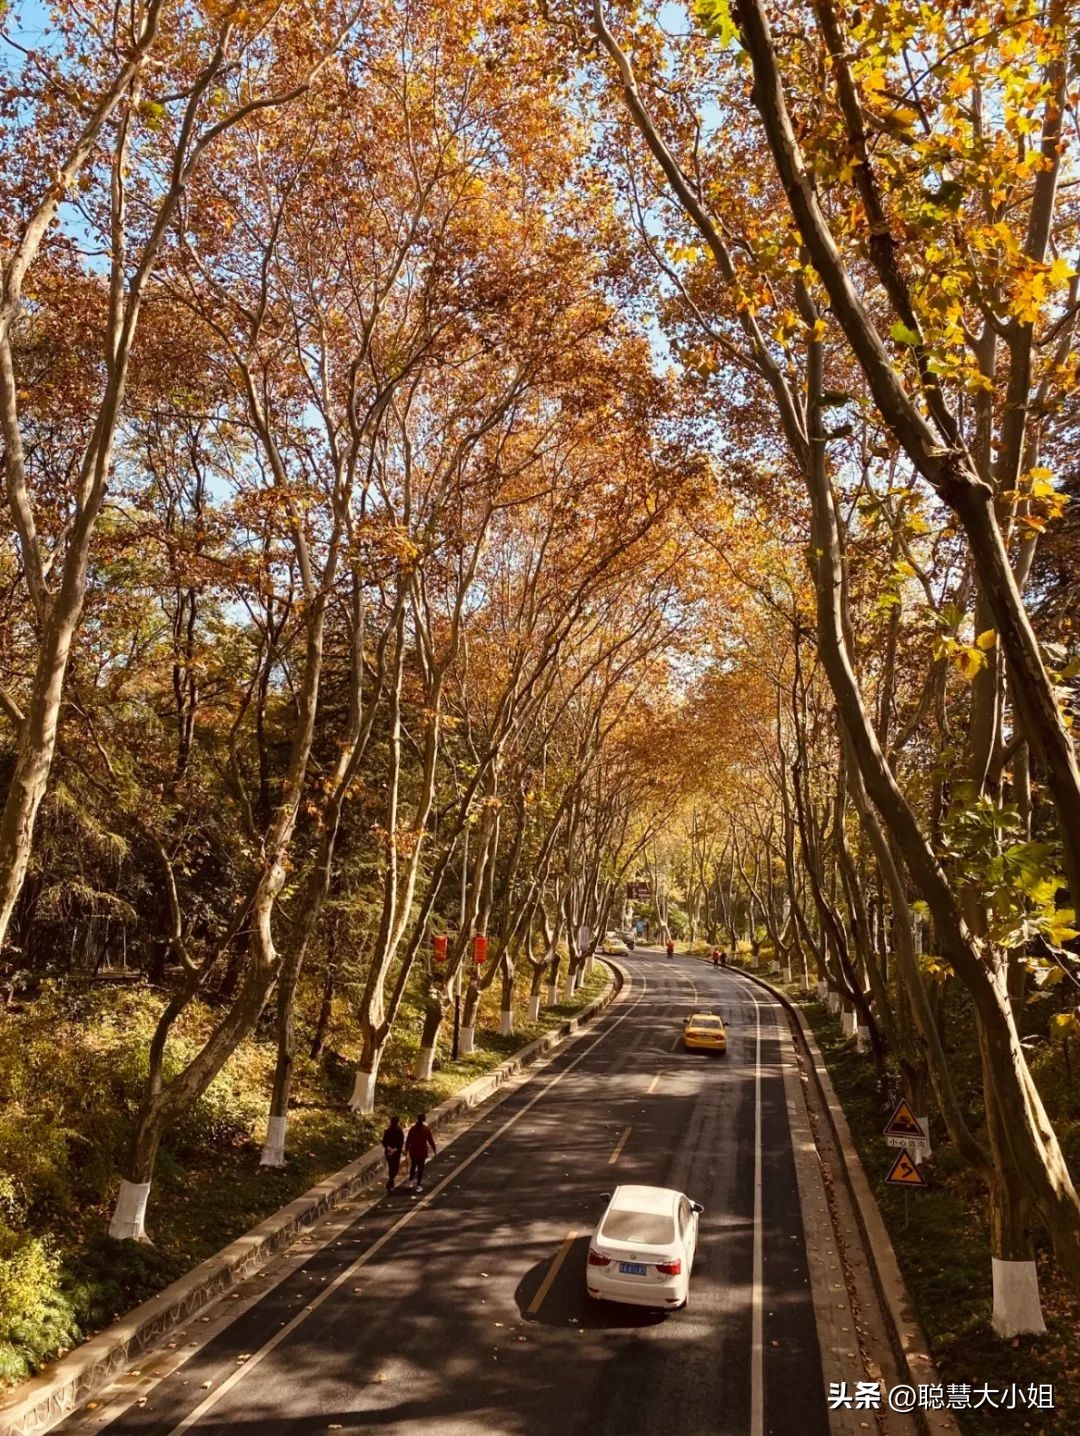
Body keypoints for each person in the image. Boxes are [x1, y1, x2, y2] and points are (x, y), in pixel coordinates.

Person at [405, 1112, 436, 1192]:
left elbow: (408, 1140)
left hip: (413, 1150)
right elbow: (430, 1140)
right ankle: (418, 1185)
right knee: (420, 1168)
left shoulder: (413, 1129)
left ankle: (411, 1181)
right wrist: (434, 1149)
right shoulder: (426, 1129)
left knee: (413, 1166)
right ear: (424, 1119)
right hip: (422, 1151)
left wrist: (406, 1149)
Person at [381, 1114, 404, 1192]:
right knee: (395, 1168)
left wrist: (389, 1148)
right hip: (396, 1152)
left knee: (391, 1167)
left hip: (389, 1152)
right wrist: (394, 1149)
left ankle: (391, 1181)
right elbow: (401, 1142)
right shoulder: (399, 1131)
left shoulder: (387, 1131)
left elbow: (384, 1142)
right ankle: (390, 1181)